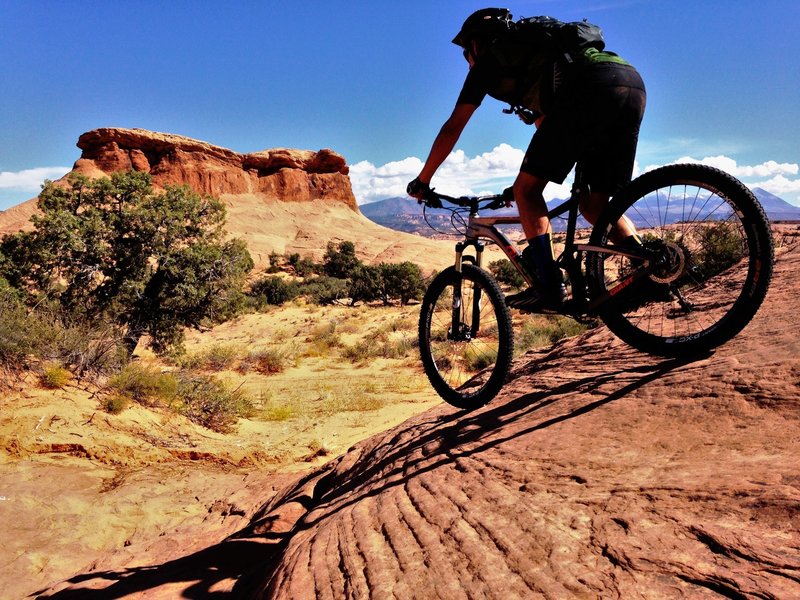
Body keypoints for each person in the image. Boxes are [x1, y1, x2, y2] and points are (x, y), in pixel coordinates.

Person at [407, 8, 646, 312]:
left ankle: (549, 286)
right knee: (593, 203)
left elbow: (453, 127)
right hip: (629, 82)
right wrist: (520, 186)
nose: (467, 60)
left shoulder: (490, 61)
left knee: (527, 191)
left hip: (588, 89)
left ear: (476, 45)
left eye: (466, 52)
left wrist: (423, 180)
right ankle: (652, 266)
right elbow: (549, 133)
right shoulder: (542, 56)